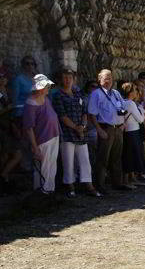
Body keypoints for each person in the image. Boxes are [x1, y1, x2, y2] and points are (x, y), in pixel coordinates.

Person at [51, 68, 101, 197]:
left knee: (84, 159)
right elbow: (62, 116)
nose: (67, 80)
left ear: (74, 79)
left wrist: (83, 126)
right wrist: (77, 128)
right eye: (65, 77)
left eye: (70, 77)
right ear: (61, 79)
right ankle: (70, 186)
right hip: (67, 133)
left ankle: (88, 184)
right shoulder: (58, 95)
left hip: (80, 132)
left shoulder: (77, 93)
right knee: (68, 161)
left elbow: (84, 111)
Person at [87, 69, 126, 193]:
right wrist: (99, 130)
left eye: (110, 77)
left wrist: (123, 122)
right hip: (105, 128)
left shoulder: (115, 93)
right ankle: (100, 185)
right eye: (106, 78)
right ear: (100, 80)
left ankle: (117, 183)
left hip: (118, 128)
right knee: (102, 158)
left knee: (117, 157)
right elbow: (92, 114)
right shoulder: (96, 94)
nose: (109, 80)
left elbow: (123, 108)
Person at [22, 74, 61, 194]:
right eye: (46, 86)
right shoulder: (31, 103)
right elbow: (29, 128)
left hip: (53, 136)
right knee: (42, 167)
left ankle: (49, 190)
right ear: (39, 87)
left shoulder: (46, 99)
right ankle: (42, 192)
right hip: (42, 139)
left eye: (48, 86)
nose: (48, 88)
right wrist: (35, 148)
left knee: (51, 166)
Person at [0, 66, 23, 194]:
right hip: (3, 127)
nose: (3, 80)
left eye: (4, 77)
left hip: (10, 126)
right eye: (1, 77)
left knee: (15, 154)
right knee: (5, 155)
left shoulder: (7, 91)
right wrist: (8, 108)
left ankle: (4, 177)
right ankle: (4, 179)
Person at [120, 82, 145, 189]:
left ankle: (131, 179)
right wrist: (143, 111)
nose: (137, 92)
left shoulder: (123, 102)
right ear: (130, 92)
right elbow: (140, 119)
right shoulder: (131, 103)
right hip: (133, 132)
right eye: (135, 90)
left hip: (128, 132)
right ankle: (127, 181)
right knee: (130, 157)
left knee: (129, 156)